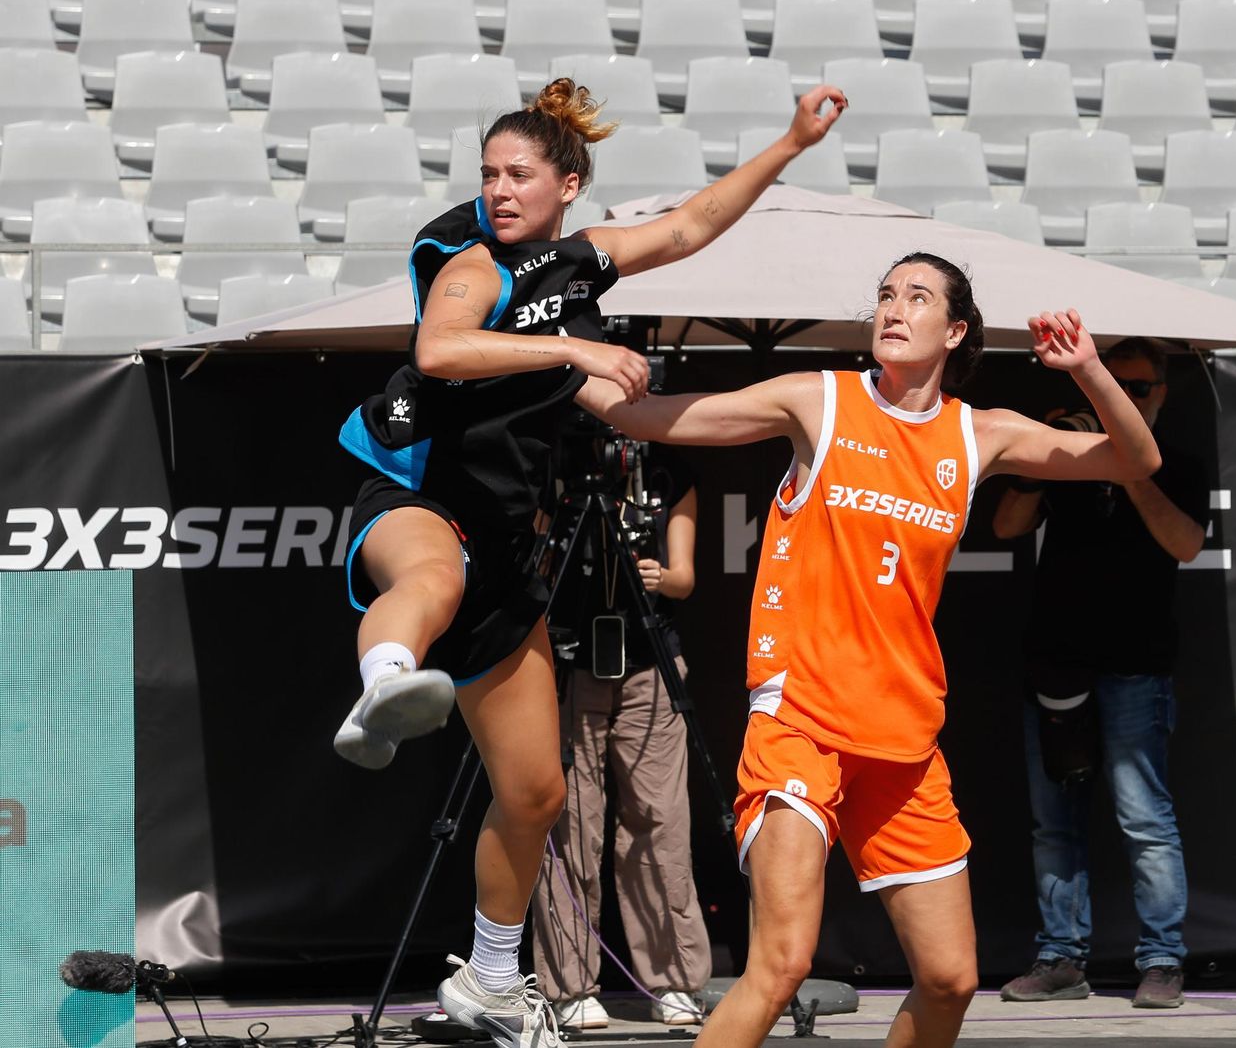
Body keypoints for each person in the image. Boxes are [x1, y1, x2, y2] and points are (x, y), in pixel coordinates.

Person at [330, 77, 846, 1048]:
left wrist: (789, 145)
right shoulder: (468, 260)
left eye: (518, 174)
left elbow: (690, 228)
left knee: (535, 792)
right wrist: (576, 350)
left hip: (506, 540)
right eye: (487, 172)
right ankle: (383, 686)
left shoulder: (577, 266)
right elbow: (440, 350)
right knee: (427, 583)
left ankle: (489, 981)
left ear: (569, 184)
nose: (497, 189)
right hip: (414, 490)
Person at [570, 253, 1163, 1048]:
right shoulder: (820, 401)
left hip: (903, 739)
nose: (893, 307)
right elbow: (648, 416)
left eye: (917, 297)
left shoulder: (976, 435)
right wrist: (553, 353)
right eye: (886, 294)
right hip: (800, 718)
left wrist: (1088, 370)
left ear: (954, 331)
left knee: (951, 979)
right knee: (780, 966)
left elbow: (1137, 461)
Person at [991, 338, 1207, 1010]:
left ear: (1161, 395)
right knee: (1053, 823)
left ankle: (1163, 960)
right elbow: (1005, 525)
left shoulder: (1179, 461)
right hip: (1056, 660)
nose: (1131, 397)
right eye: (1117, 386)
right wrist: (1042, 467)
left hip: (1136, 665)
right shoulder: (1065, 453)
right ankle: (1061, 957)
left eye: (1141, 389)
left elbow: (1185, 544)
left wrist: (1128, 466)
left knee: (1145, 818)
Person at [530, 446, 712, 1030]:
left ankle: (674, 981)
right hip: (566, 660)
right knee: (570, 825)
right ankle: (569, 986)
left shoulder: (666, 467)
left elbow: (683, 578)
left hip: (648, 661)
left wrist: (660, 574)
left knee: (660, 821)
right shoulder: (554, 466)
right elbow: (529, 571)